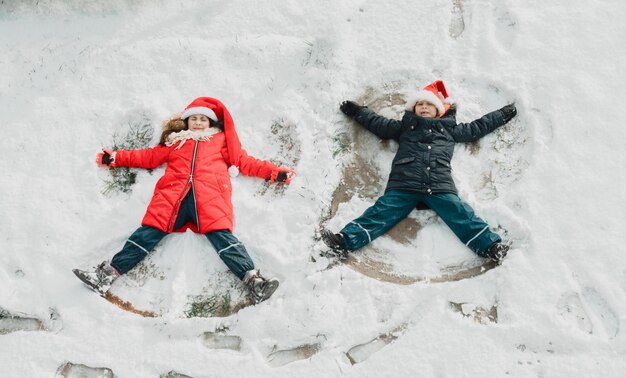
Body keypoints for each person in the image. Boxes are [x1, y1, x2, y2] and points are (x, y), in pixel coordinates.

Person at [73, 97, 295, 303]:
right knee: (146, 235)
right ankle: (106, 275)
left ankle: (254, 281)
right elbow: (147, 157)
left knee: (223, 239)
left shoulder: (220, 142)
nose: (198, 123)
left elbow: (246, 162)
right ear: (187, 122)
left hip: (208, 199)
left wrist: (274, 173)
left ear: (210, 122)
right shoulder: (175, 142)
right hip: (173, 198)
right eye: (194, 119)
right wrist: (115, 157)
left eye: (203, 119)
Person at [321, 80, 516, 264]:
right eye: (419, 104)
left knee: (460, 213)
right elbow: (377, 123)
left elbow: (478, 127)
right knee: (381, 212)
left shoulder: (449, 129)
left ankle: (491, 247)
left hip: (439, 185)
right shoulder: (405, 127)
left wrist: (501, 115)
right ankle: (344, 241)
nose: (423, 107)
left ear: (438, 110)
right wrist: (356, 111)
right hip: (404, 184)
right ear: (413, 108)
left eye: (428, 104)